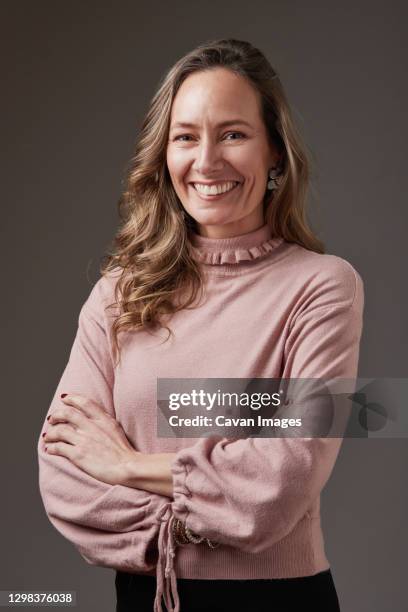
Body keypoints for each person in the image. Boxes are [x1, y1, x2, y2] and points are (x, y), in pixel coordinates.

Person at [37, 38, 364, 612]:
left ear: (276, 156)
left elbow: (285, 482)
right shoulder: (120, 291)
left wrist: (128, 465)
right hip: (144, 598)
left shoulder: (323, 286)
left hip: (280, 601)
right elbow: (64, 477)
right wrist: (212, 507)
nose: (206, 161)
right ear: (164, 155)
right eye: (186, 137)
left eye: (233, 134)